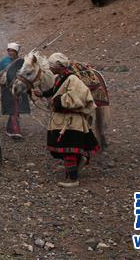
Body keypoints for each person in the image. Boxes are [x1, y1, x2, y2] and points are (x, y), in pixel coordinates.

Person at [41, 52, 99, 187]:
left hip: (71, 122)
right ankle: (76, 164)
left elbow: (77, 97)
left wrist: (55, 101)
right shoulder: (60, 77)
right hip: (63, 121)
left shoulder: (73, 79)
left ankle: (72, 179)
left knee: (69, 149)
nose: (49, 68)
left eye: (51, 66)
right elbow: (55, 90)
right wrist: (42, 94)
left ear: (59, 66)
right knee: (65, 148)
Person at [0, 42, 30, 140]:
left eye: (12, 51)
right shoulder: (4, 61)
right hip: (7, 89)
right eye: (9, 51)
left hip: (19, 89)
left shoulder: (22, 61)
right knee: (13, 110)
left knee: (16, 110)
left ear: (16, 52)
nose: (10, 53)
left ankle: (10, 129)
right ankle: (15, 131)